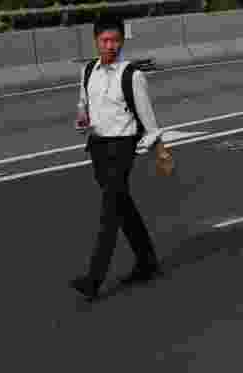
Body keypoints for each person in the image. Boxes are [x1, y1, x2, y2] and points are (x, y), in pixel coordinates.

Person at [71, 15, 164, 302]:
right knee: (122, 204)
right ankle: (147, 260)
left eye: (115, 41)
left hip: (123, 147)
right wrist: (82, 120)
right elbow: (83, 106)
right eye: (104, 41)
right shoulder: (88, 71)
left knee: (110, 213)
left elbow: (148, 120)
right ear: (96, 42)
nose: (110, 46)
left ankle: (93, 279)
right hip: (97, 146)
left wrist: (157, 147)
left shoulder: (133, 76)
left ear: (122, 42)